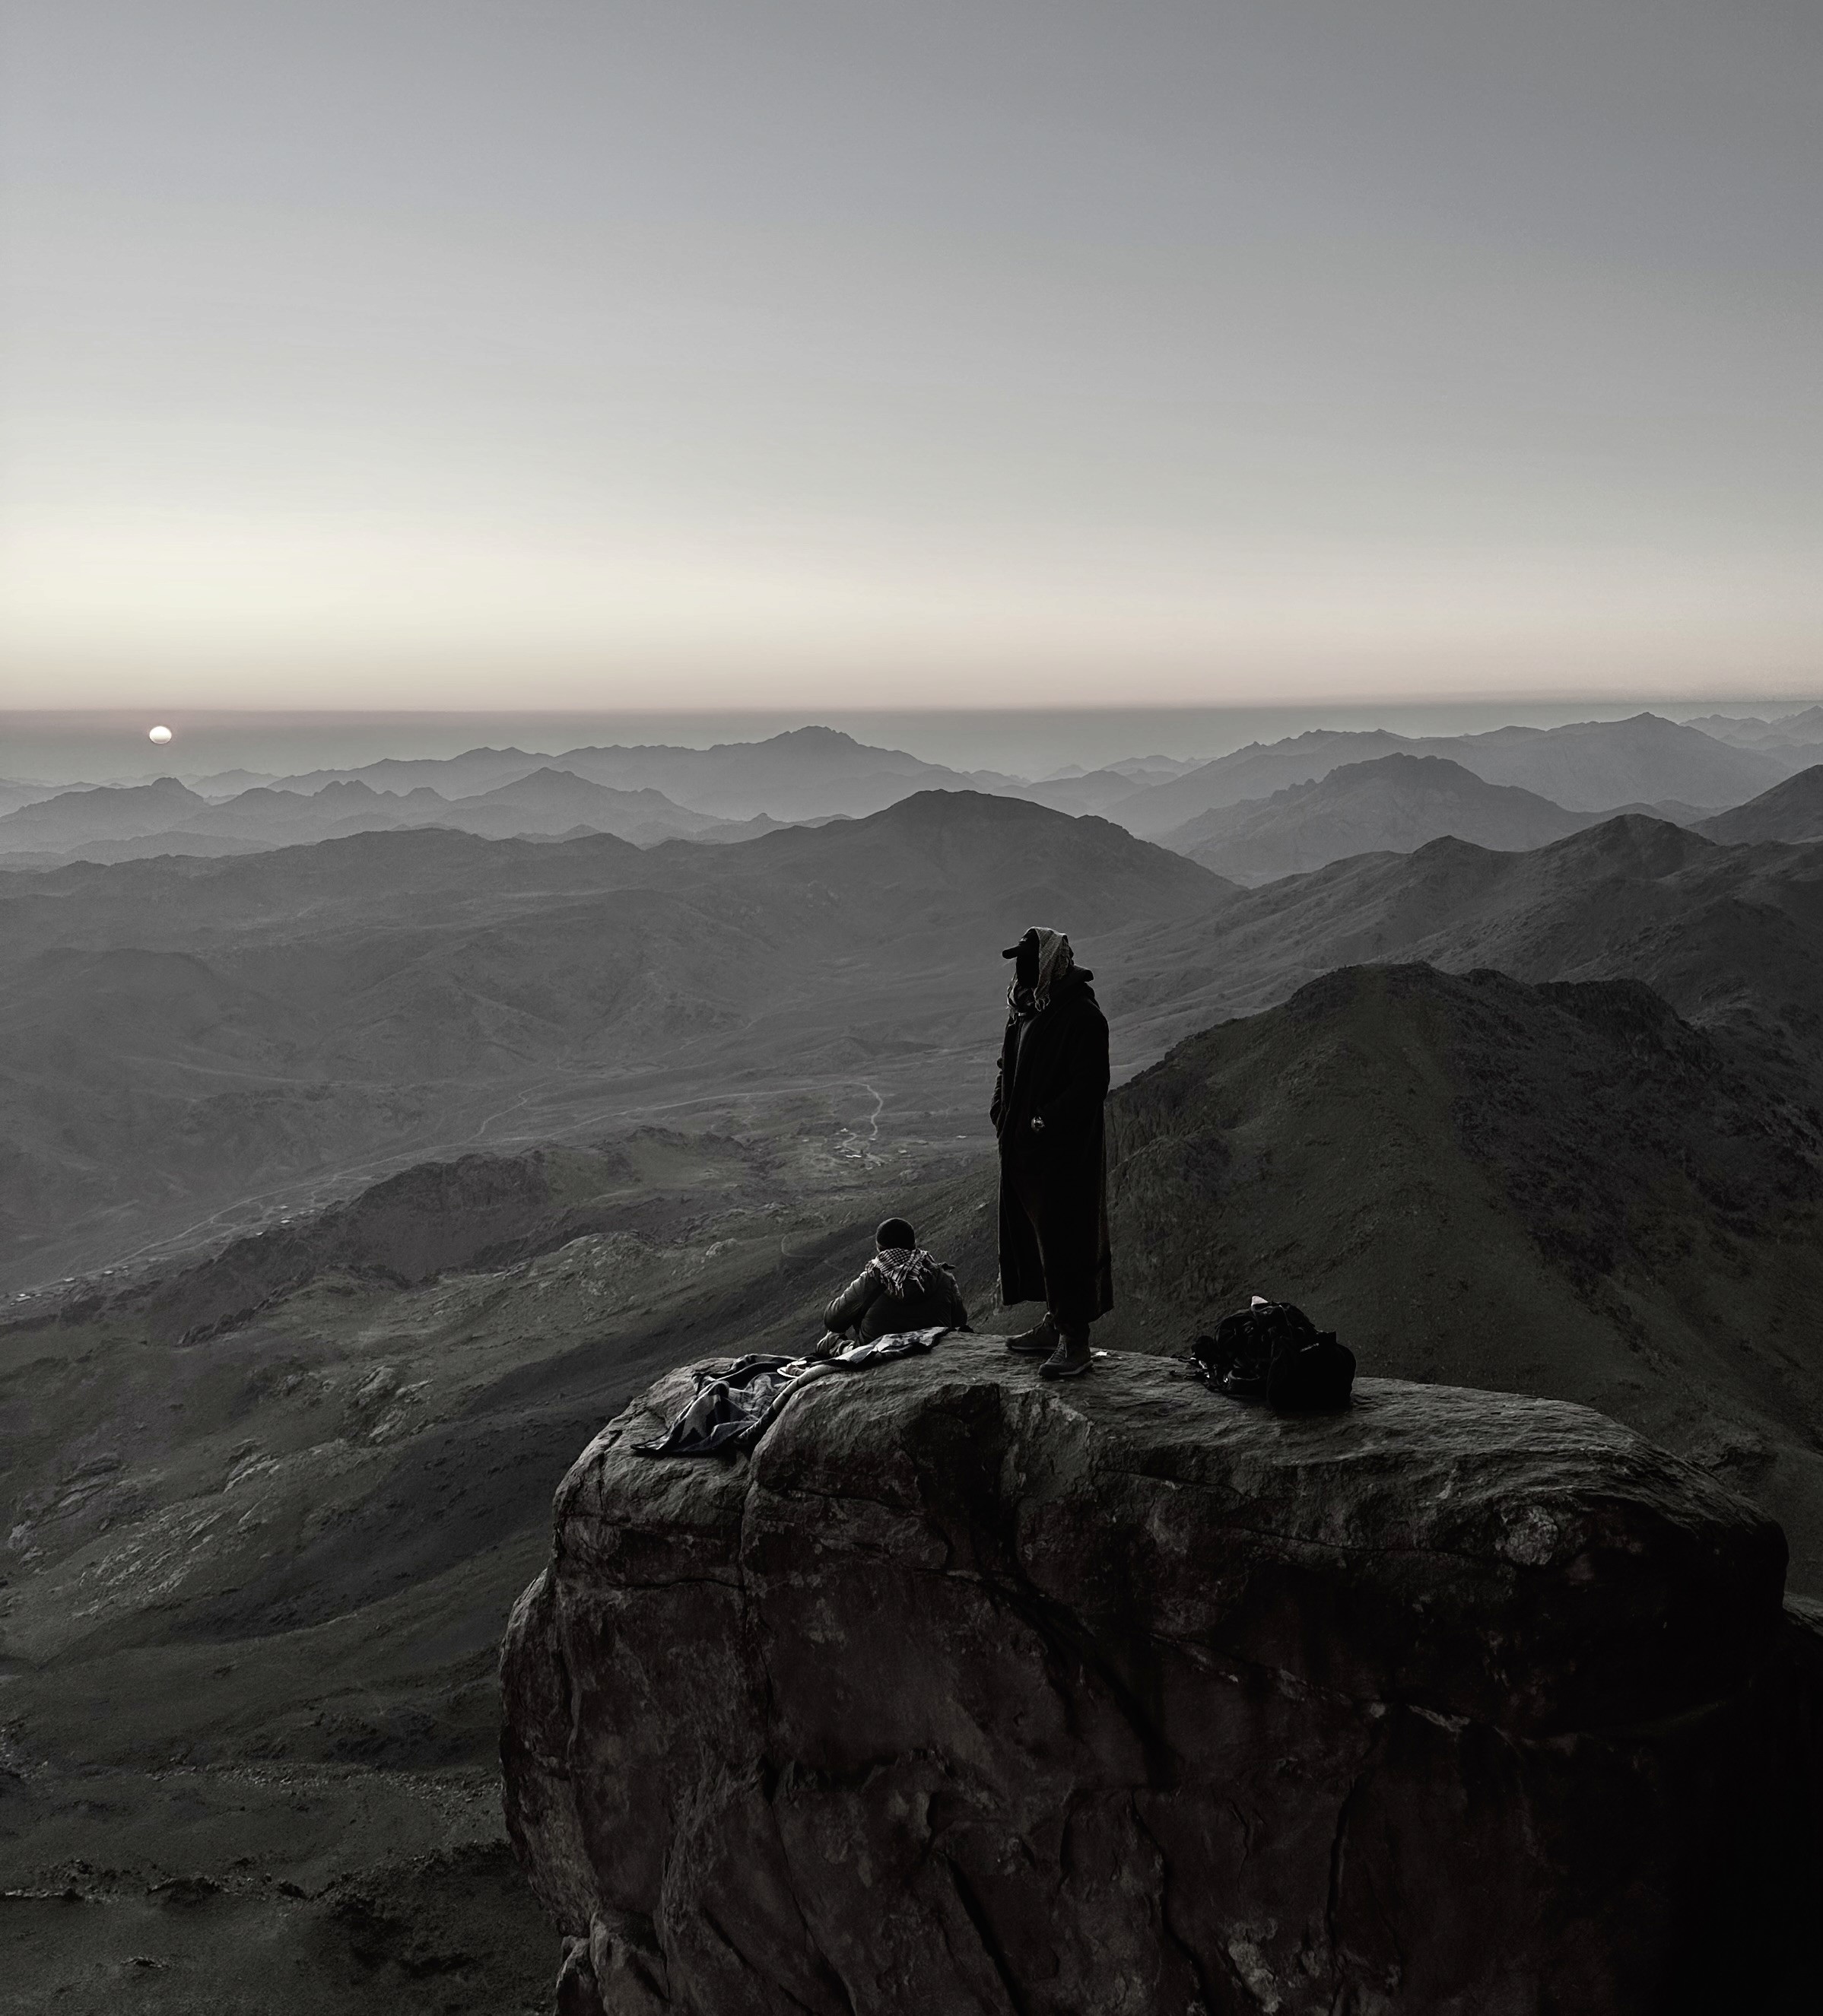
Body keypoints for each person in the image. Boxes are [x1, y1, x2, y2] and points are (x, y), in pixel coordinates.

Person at [992, 926, 1112, 1378]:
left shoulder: (1080, 1014)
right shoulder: (1025, 1007)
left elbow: (1090, 1085)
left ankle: (1073, 1340)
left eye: (1026, 961)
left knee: (1066, 1239)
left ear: (1049, 964)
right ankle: (1052, 1321)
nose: (1019, 971)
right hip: (1022, 1150)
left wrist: (1045, 1120)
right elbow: (1007, 1066)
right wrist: (1001, 1111)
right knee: (1034, 1237)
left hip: (1062, 1155)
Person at [816, 1216, 970, 1351]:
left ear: (879, 1249)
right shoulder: (942, 1277)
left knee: (831, 1339)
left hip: (875, 1354)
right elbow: (959, 1321)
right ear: (914, 1245)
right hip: (932, 1348)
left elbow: (833, 1321)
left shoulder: (871, 1280)